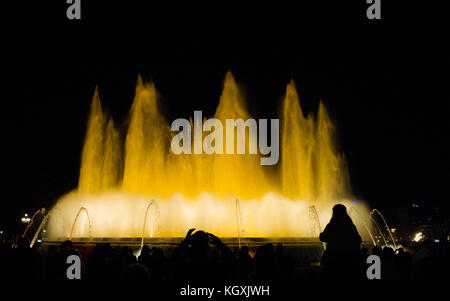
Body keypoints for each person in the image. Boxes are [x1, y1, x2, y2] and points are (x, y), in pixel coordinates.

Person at [319, 204, 363, 279]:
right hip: (350, 259)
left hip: (333, 259)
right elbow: (358, 239)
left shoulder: (332, 224)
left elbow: (323, 237)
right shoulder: (350, 225)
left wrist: (321, 235)